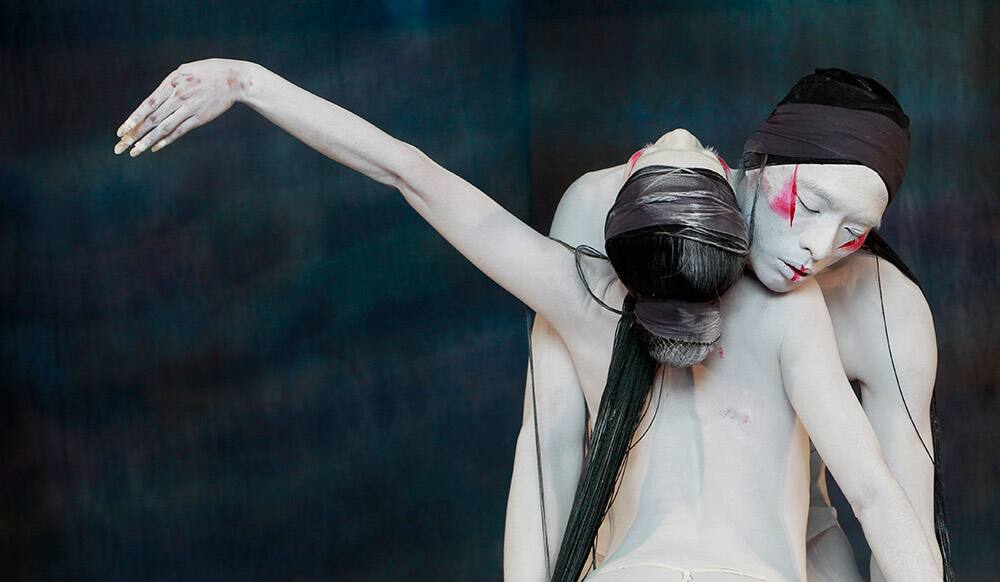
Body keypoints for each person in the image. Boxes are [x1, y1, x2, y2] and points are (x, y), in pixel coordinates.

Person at [113, 60, 941, 581]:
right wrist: (249, 83)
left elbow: (411, 173)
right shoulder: (792, 317)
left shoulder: (578, 297)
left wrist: (252, 83)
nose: (815, 248)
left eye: (850, 230)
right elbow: (874, 495)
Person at [504, 69, 950, 582]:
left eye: (853, 231)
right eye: (807, 205)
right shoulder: (626, 214)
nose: (819, 248)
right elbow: (549, 442)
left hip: (792, 553)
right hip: (628, 553)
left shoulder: (883, 305)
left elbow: (894, 512)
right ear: (759, 163)